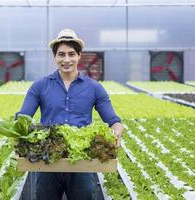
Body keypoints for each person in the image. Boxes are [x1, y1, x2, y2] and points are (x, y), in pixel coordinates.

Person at [15, 28, 123, 200]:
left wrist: (116, 131)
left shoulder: (94, 88)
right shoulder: (39, 86)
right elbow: (22, 118)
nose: (66, 60)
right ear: (55, 57)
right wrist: (21, 133)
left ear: (79, 56)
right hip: (47, 161)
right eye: (61, 54)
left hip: (81, 162)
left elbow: (113, 120)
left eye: (71, 54)